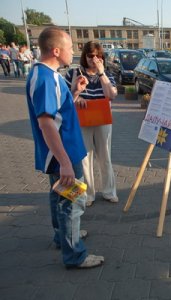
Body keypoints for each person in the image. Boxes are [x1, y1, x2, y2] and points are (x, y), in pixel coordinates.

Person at [25, 27, 104, 268]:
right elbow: (46, 123)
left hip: (62, 152)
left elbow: (56, 111)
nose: (74, 52)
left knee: (59, 197)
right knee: (72, 203)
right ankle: (74, 255)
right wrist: (66, 162)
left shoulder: (48, 75)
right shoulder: (46, 79)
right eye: (70, 48)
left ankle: (63, 237)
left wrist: (75, 91)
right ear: (57, 51)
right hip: (63, 155)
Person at [65, 41, 118, 207]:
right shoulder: (74, 73)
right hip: (83, 119)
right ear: (84, 56)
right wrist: (78, 96)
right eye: (90, 55)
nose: (93, 59)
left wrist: (102, 74)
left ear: (101, 57)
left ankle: (109, 192)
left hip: (103, 120)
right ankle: (88, 194)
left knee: (105, 157)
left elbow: (112, 95)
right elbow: (66, 97)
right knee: (85, 158)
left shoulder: (107, 74)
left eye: (97, 55)